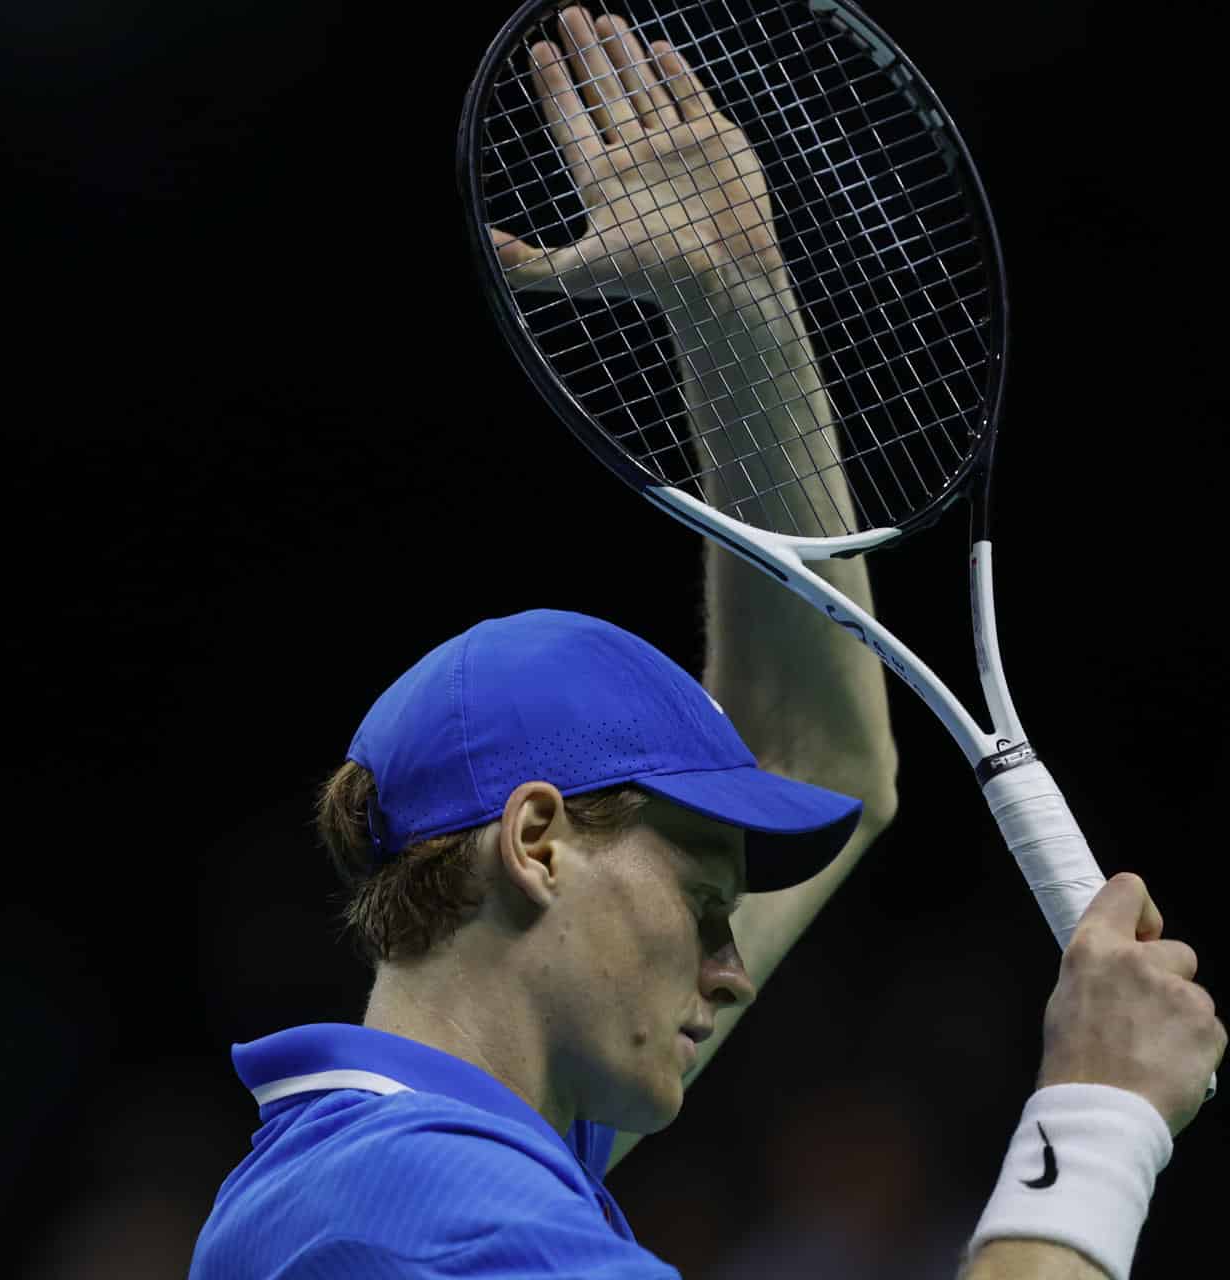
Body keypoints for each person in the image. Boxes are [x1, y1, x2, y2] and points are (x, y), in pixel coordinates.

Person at [189, 9, 1223, 1279]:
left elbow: (826, 753)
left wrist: (736, 302)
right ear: (536, 842)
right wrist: (1100, 1110)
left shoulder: (401, 1158)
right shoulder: (430, 1219)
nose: (732, 972)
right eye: (703, 907)